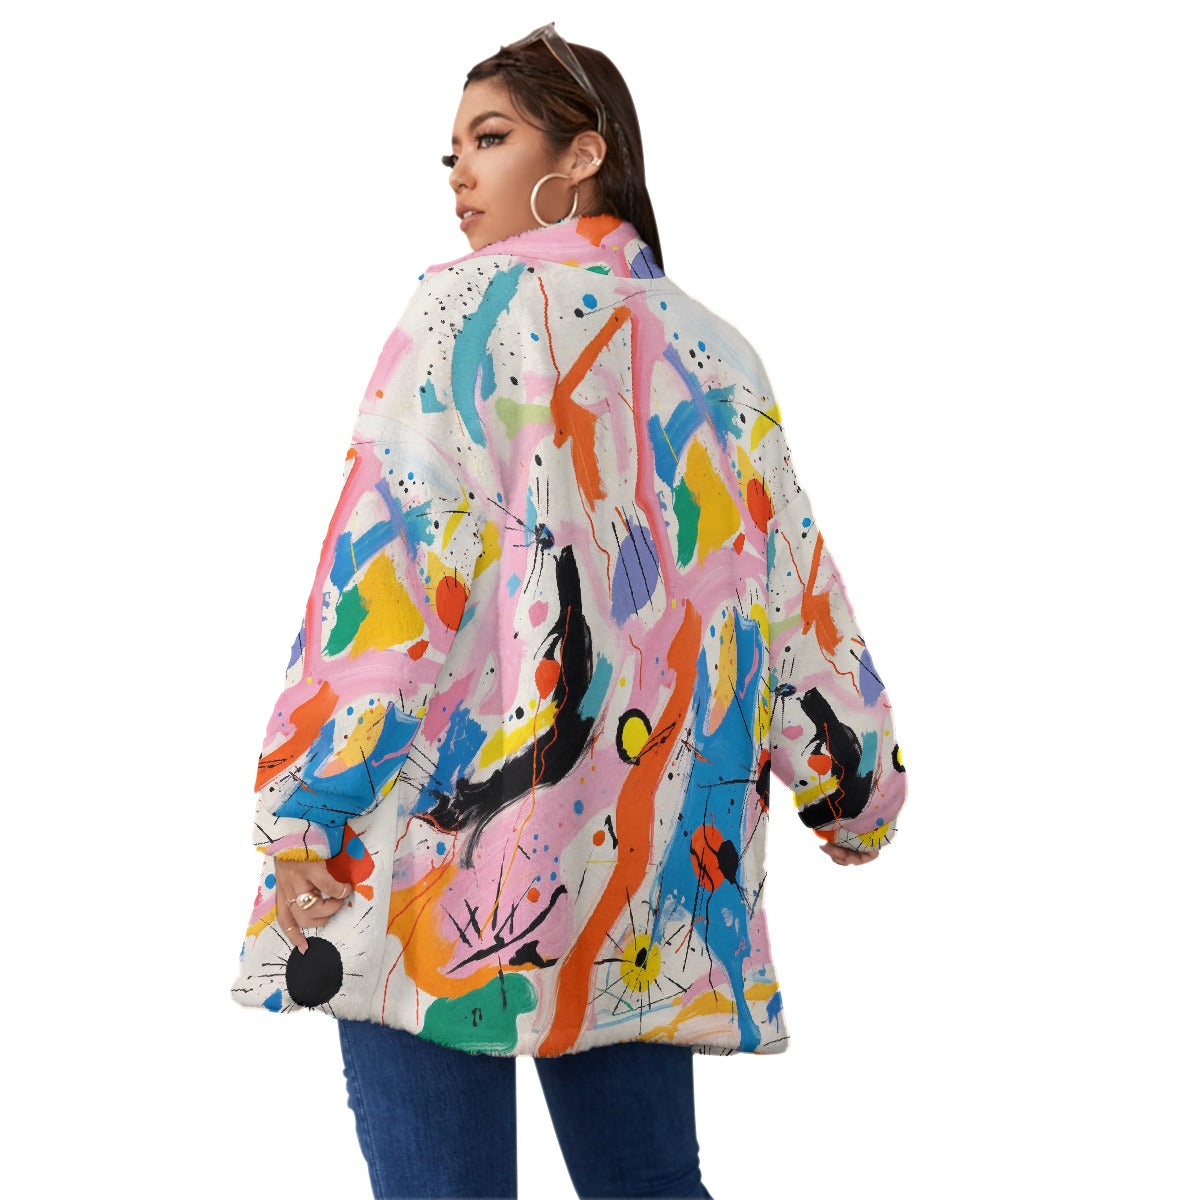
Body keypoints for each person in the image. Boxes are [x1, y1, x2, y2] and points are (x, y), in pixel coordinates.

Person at [230, 22, 908, 1200]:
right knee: (649, 1185)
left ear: (583, 153)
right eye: (451, 150)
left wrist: (307, 810)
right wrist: (853, 792)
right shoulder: (718, 353)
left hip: (436, 855)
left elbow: (384, 585)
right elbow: (794, 588)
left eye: (490, 138)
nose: (459, 173)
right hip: (631, 870)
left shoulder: (459, 319)